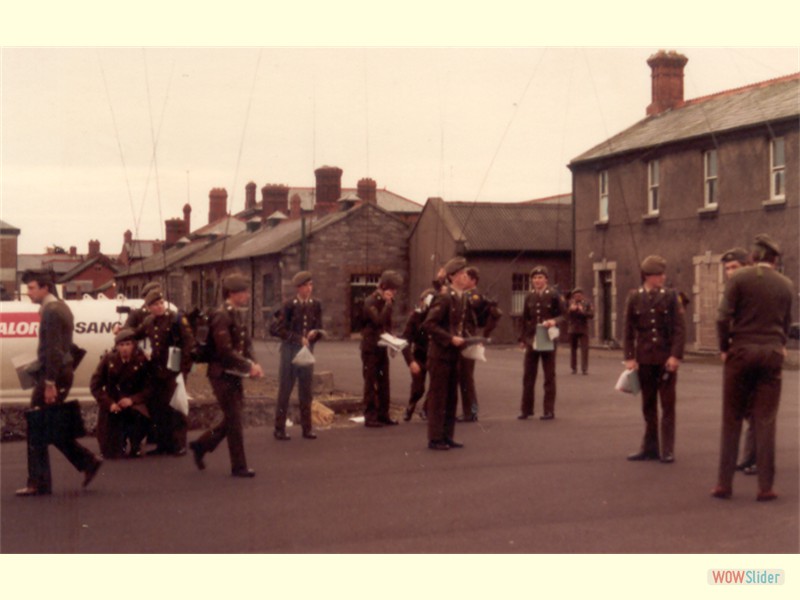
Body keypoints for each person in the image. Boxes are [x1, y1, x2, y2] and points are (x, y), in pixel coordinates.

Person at [711, 235, 794, 502]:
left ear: (753, 257)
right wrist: (778, 344)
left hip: (741, 351)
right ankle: (765, 487)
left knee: (732, 417)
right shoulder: (786, 284)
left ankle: (724, 484)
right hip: (771, 354)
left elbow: (723, 317)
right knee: (766, 420)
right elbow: (786, 322)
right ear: (775, 259)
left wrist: (725, 347)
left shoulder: (738, 279)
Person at [16, 269, 103, 496]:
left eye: (32, 288)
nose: (29, 293)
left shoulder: (52, 312)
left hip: (53, 375)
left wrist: (50, 382)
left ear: (45, 288)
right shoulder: (59, 307)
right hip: (59, 373)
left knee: (37, 424)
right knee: (49, 423)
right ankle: (87, 461)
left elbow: (54, 349)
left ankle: (38, 483)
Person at [189, 273, 264, 477]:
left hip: (233, 372)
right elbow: (224, 351)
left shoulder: (237, 313)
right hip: (220, 374)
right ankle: (239, 466)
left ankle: (201, 445)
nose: (248, 295)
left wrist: (253, 362)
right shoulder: (221, 316)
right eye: (244, 292)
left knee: (233, 418)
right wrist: (249, 366)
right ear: (232, 294)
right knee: (235, 420)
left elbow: (245, 342)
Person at [623, 255, 686, 464]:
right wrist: (629, 358)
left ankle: (667, 449)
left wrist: (675, 355)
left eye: (662, 274)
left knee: (667, 405)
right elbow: (628, 331)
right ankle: (649, 447)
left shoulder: (670, 296)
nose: (662, 277)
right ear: (647, 276)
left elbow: (679, 329)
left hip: (665, 360)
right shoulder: (634, 298)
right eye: (658, 275)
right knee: (647, 405)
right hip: (645, 359)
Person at [133, 289, 194, 456]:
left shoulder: (176, 319)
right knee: (159, 409)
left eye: (160, 303)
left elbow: (189, 345)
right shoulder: (149, 322)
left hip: (174, 371)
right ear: (149, 308)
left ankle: (179, 444)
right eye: (155, 305)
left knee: (176, 408)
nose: (159, 307)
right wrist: (121, 333)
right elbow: (135, 335)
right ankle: (163, 444)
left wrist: (183, 370)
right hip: (157, 372)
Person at [423, 257, 475, 450]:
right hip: (440, 354)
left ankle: (447, 435)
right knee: (439, 397)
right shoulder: (444, 297)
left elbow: (461, 326)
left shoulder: (462, 297)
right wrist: (449, 338)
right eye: (462, 274)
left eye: (466, 274)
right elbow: (429, 324)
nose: (465, 277)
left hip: (454, 354)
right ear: (452, 277)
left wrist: (470, 341)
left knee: (452, 396)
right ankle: (435, 438)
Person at [270, 271, 323, 441]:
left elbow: (319, 326)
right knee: (285, 390)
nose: (310, 288)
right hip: (289, 353)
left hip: (307, 353)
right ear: (299, 288)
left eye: (311, 285)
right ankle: (279, 428)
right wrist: (298, 338)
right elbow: (278, 330)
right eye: (307, 285)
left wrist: (315, 334)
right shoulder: (289, 305)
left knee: (306, 391)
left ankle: (307, 428)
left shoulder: (316, 304)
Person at [719, 248, 758, 475]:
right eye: (727, 269)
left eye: (734, 267)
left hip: (750, 352)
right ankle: (751, 456)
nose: (730, 272)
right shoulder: (731, 291)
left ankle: (752, 458)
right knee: (743, 407)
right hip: (736, 355)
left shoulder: (753, 290)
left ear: (746, 266)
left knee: (755, 409)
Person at [90, 327, 152, 459]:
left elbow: (149, 387)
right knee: (110, 453)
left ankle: (135, 443)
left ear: (134, 345)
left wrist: (132, 400)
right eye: (121, 345)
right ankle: (119, 442)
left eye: (128, 344)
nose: (124, 348)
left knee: (140, 416)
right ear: (117, 346)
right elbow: (95, 385)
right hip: (113, 405)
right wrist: (109, 403)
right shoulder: (108, 360)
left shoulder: (141, 361)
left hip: (133, 405)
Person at [518, 265, 565, 421]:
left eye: (540, 278)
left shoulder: (553, 295)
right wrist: (523, 339)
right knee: (528, 376)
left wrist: (554, 321)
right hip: (532, 338)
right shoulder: (529, 297)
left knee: (549, 375)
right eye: (535, 278)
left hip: (547, 337)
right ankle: (526, 409)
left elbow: (564, 315)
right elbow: (525, 319)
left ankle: (548, 410)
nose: (537, 280)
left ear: (546, 279)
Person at [458, 266, 501, 422]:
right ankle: (469, 410)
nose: (462, 279)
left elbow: (488, 313)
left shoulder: (474, 296)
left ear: (473, 280)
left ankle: (471, 411)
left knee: (466, 376)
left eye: (465, 277)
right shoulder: (466, 295)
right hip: (462, 338)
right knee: (462, 376)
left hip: (468, 338)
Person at [360, 270, 403, 427]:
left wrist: (392, 341)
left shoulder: (387, 302)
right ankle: (370, 416)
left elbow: (387, 324)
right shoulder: (370, 301)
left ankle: (383, 414)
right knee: (370, 382)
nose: (394, 292)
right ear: (384, 287)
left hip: (382, 346)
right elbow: (378, 321)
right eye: (392, 289)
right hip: (370, 347)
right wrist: (387, 305)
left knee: (384, 381)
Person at [401, 288, 435, 421]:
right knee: (418, 387)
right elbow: (405, 340)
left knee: (436, 385)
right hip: (419, 355)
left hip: (434, 356)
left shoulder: (438, 317)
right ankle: (411, 405)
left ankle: (426, 409)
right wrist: (410, 361)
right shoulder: (415, 317)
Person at [567, 287, 594, 375]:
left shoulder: (587, 303)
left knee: (585, 349)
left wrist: (582, 311)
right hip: (573, 329)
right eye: (575, 296)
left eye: (579, 295)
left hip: (583, 329)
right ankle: (573, 368)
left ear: (582, 296)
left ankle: (584, 368)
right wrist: (570, 310)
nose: (577, 297)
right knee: (573, 349)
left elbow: (591, 315)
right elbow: (564, 315)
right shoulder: (570, 303)